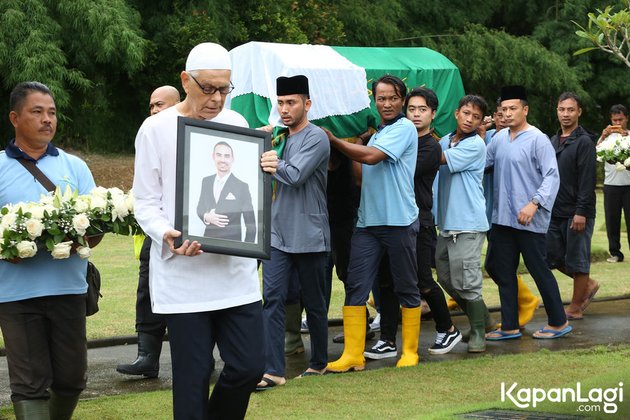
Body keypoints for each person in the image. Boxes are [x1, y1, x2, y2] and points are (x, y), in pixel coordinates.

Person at [132, 42, 278, 419]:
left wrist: (264, 169)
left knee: (248, 367)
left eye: (224, 89)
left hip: (235, 275)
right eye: (207, 88)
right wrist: (166, 233)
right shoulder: (155, 128)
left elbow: (253, 202)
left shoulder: (238, 126)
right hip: (184, 280)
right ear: (186, 80)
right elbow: (145, 201)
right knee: (192, 379)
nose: (216, 99)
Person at [0, 81, 98, 419]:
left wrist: (78, 240)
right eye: (37, 112)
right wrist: (6, 248)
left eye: (52, 113)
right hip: (15, 294)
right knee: (29, 383)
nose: (47, 119)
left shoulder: (75, 167)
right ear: (15, 117)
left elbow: (97, 227)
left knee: (72, 378)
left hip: (68, 289)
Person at [326, 75, 421, 371]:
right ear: (374, 101)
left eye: (393, 98)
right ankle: (353, 355)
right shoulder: (378, 133)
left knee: (405, 285)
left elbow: (371, 158)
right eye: (381, 98)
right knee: (355, 285)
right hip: (368, 224)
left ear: (402, 100)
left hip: (399, 222)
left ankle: (410, 351)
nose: (387, 103)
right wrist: (355, 143)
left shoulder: (405, 128)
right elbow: (359, 174)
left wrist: (334, 140)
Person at [367, 87, 462, 360]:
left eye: (422, 110)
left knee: (420, 280)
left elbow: (399, 174)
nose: (416, 114)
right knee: (385, 281)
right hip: (389, 219)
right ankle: (387, 339)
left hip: (418, 221)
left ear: (433, 114)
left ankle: (447, 327)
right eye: (412, 109)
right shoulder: (393, 136)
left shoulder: (431, 146)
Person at [258, 75, 331, 389]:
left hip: (310, 233)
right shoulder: (277, 138)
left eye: (291, 103)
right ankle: (274, 370)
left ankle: (319, 363)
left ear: (307, 104)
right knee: (271, 299)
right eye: (281, 103)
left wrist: (272, 159)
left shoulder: (317, 137)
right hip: (277, 234)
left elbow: (296, 174)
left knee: (314, 303)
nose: (285, 109)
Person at [485, 85, 571, 340]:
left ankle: (558, 321)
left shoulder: (538, 139)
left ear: (525, 109)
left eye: (513, 109)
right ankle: (510, 325)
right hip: (501, 218)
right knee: (503, 271)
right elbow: (482, 164)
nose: (508, 113)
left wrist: (534, 203)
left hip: (529, 219)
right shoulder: (499, 138)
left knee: (538, 269)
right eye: (503, 110)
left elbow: (552, 176)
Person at [117, 85, 180, 378]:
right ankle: (147, 356)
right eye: (151, 106)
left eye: (160, 105)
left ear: (177, 105)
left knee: (186, 296)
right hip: (154, 233)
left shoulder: (191, 135)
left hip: (186, 231)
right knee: (146, 291)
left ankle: (200, 359)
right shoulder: (149, 136)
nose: (154, 111)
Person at [434, 94, 490, 353]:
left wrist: (414, 141)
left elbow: (439, 159)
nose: (469, 119)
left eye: (475, 116)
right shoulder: (446, 140)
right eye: (466, 113)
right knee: (446, 277)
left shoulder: (475, 144)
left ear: (480, 122)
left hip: (468, 223)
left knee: (467, 280)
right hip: (446, 222)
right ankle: (484, 320)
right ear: (457, 113)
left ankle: (479, 331)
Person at [482, 100, 540, 329]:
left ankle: (523, 304)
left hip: (505, 214)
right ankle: (519, 307)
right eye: (499, 114)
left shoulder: (522, 140)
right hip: (488, 211)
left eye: (507, 112)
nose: (504, 117)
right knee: (494, 265)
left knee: (500, 264)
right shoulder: (491, 139)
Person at [548, 92, 599, 320]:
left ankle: (576, 306)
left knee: (577, 260)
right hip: (554, 210)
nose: (566, 114)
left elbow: (587, 181)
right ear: (557, 111)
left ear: (579, 112)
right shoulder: (552, 141)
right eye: (562, 109)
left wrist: (581, 212)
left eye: (570, 110)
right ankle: (588, 285)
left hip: (577, 212)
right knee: (550, 256)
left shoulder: (585, 142)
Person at [197, 141, 256, 241]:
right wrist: (207, 217)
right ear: (213, 157)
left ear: (232, 159)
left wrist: (245, 250)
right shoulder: (206, 181)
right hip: (207, 244)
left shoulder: (242, 187)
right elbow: (200, 208)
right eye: (219, 155)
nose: (222, 160)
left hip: (232, 246)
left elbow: (251, 225)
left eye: (227, 156)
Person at [599, 104, 630, 263]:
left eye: (621, 119)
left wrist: (626, 137)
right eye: (614, 120)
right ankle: (615, 253)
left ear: (626, 119)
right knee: (612, 221)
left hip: (629, 185)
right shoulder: (606, 137)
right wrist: (604, 136)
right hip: (611, 185)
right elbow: (596, 153)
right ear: (610, 120)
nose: (618, 123)